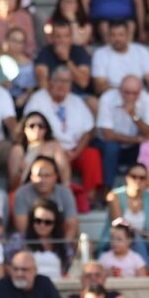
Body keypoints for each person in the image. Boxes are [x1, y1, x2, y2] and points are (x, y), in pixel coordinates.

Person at [23, 65, 102, 201]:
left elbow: (87, 131)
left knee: (92, 155)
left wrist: (77, 152)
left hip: (73, 151)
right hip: (48, 151)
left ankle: (89, 199)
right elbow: (31, 128)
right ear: (50, 82)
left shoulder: (76, 101)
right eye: (59, 80)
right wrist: (57, 149)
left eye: (66, 81)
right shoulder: (38, 99)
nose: (62, 85)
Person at [97, 75, 149, 192]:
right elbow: (107, 135)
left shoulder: (147, 100)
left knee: (147, 147)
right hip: (109, 144)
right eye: (127, 92)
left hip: (133, 146)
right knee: (112, 147)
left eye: (135, 93)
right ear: (119, 90)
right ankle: (107, 190)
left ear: (141, 91)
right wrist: (137, 139)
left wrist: (134, 116)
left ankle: (140, 190)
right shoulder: (107, 98)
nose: (130, 97)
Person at [105, 162, 149, 254]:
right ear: (127, 178)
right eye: (134, 177)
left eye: (142, 178)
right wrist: (144, 234)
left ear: (147, 181)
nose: (137, 180)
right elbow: (120, 227)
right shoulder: (114, 196)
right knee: (138, 240)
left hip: (146, 244)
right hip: (117, 243)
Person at [12, 156, 79, 241]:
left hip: (59, 240)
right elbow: (22, 229)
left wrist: (63, 248)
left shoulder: (65, 193)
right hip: (31, 242)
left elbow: (72, 226)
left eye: (47, 176)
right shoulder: (21, 193)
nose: (42, 180)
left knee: (87, 244)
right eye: (38, 175)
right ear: (31, 177)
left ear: (55, 177)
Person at [7, 111, 71, 191]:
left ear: (46, 129)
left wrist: (65, 193)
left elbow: (64, 172)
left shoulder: (54, 146)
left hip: (52, 192)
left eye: (40, 126)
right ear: (24, 129)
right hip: (26, 193)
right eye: (32, 126)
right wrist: (21, 172)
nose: (36, 129)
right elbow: (13, 186)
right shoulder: (18, 150)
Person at [91, 19, 149, 94]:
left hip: (139, 93)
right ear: (108, 36)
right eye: (113, 35)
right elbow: (99, 86)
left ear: (128, 35)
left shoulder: (141, 51)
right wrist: (126, 92)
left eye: (121, 35)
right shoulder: (100, 54)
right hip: (112, 95)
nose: (117, 39)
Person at [34, 18, 95, 101]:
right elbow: (43, 84)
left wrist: (66, 60)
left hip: (78, 97)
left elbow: (83, 83)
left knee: (93, 102)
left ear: (71, 37)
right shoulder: (44, 53)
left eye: (66, 36)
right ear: (52, 38)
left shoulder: (80, 52)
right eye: (58, 36)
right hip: (52, 97)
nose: (62, 40)